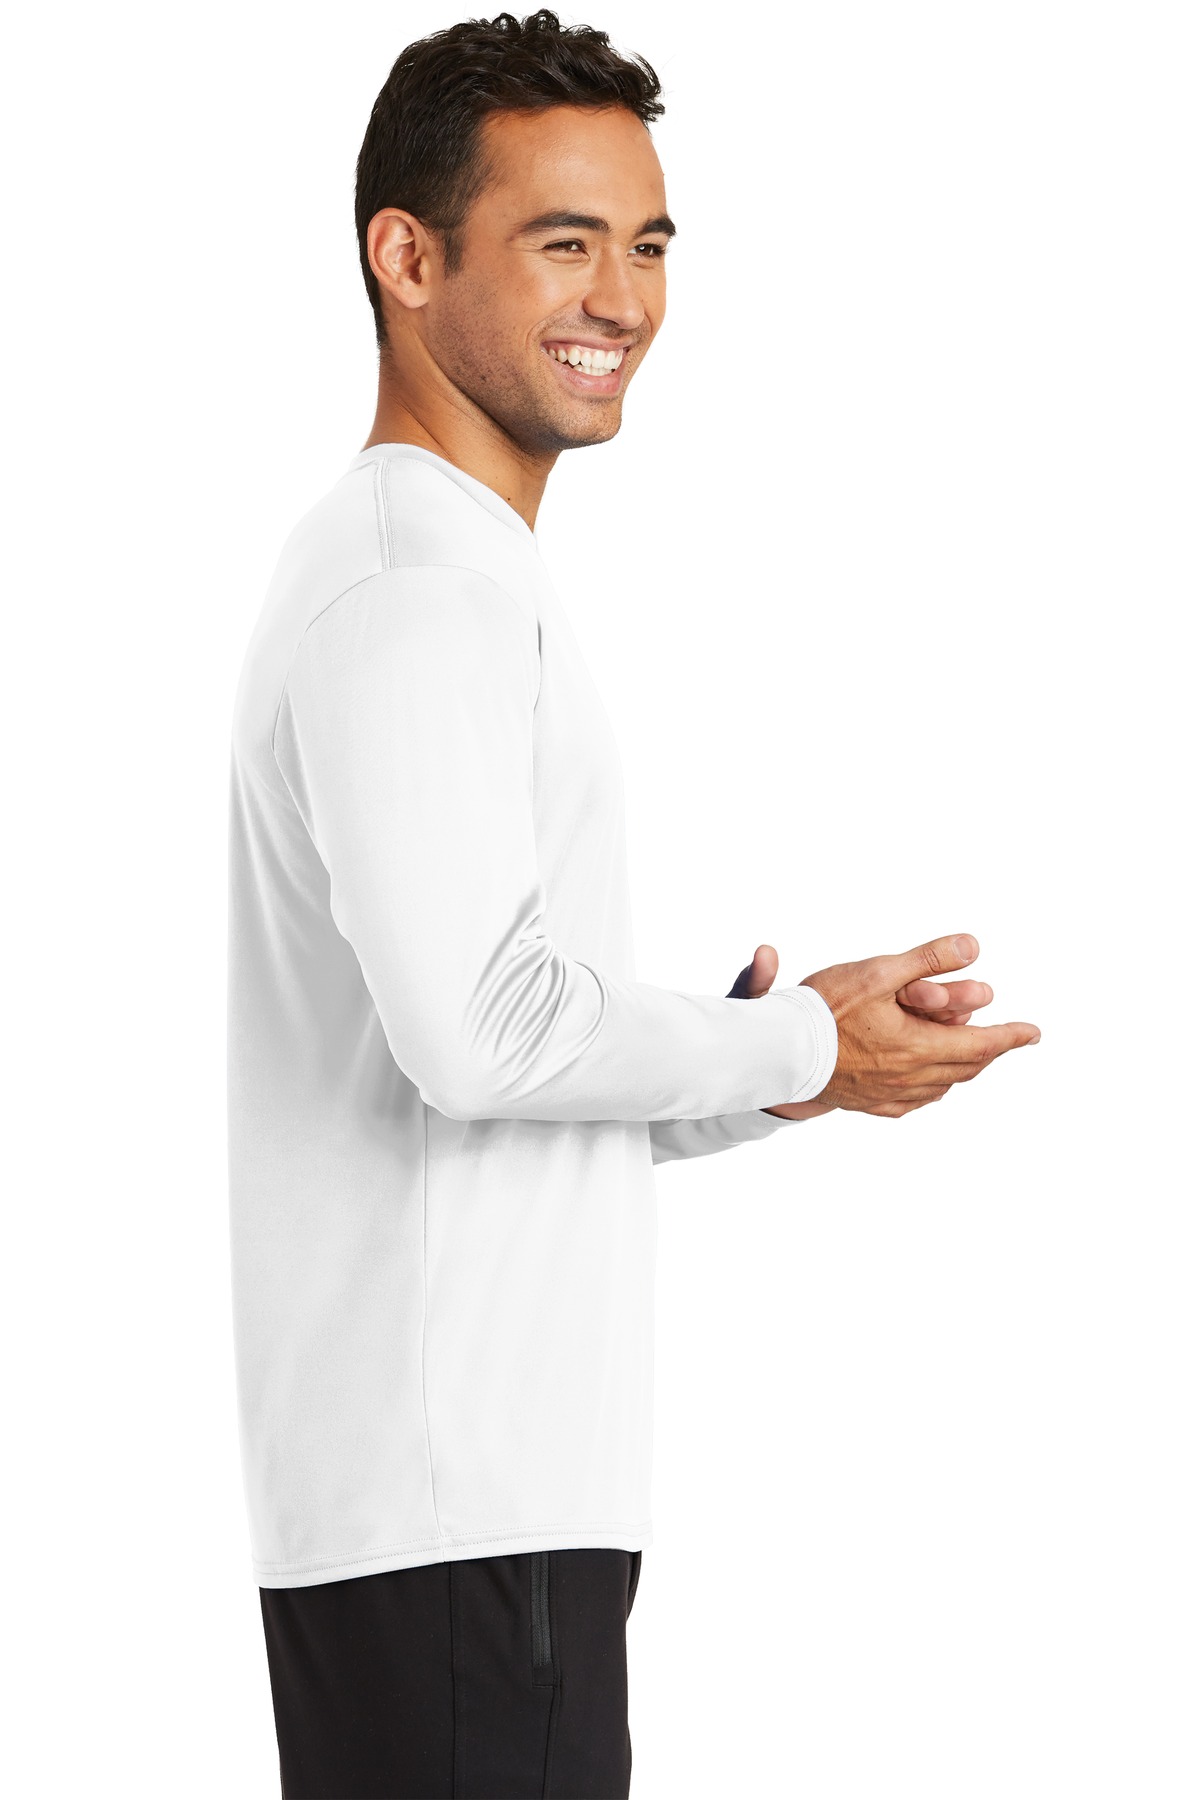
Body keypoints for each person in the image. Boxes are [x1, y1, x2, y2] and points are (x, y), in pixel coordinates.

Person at [226, 11, 1041, 1796]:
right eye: (563, 241)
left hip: (469, 1511)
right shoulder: (413, 586)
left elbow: (476, 1057)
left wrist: (785, 1069)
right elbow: (483, 1038)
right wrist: (792, 1044)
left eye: (650, 242)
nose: (623, 299)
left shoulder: (442, 569)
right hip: (459, 1515)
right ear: (406, 257)